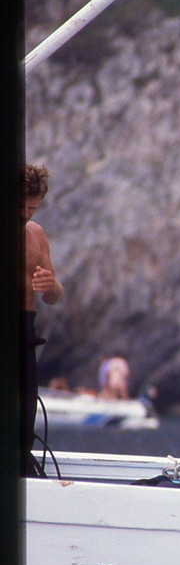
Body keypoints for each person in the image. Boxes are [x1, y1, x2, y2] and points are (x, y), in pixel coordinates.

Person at [22, 164, 64, 477]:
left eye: (33, 207)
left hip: (25, 331)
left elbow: (54, 295)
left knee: (24, 416)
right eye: (20, 205)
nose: (25, 213)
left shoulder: (36, 235)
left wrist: (51, 286)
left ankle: (22, 466)